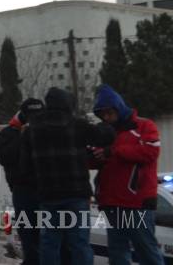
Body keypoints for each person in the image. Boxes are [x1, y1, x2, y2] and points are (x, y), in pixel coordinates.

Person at [19, 87, 116, 265]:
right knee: (79, 243)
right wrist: (104, 122)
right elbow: (105, 136)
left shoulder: (31, 129)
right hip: (77, 195)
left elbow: (25, 167)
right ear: (68, 104)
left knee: (49, 243)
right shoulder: (77, 125)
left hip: (48, 195)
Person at [91, 84, 163, 265]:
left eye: (109, 113)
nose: (106, 118)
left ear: (119, 107)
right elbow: (96, 162)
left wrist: (113, 151)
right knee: (117, 253)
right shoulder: (104, 132)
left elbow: (151, 151)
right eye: (102, 114)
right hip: (111, 202)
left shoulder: (144, 126)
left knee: (146, 250)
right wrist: (92, 155)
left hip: (136, 203)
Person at [0, 97, 47, 265]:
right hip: (22, 189)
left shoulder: (48, 131)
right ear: (23, 116)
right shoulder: (8, 134)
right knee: (27, 234)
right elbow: (3, 156)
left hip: (46, 189)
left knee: (47, 234)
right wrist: (23, 136)